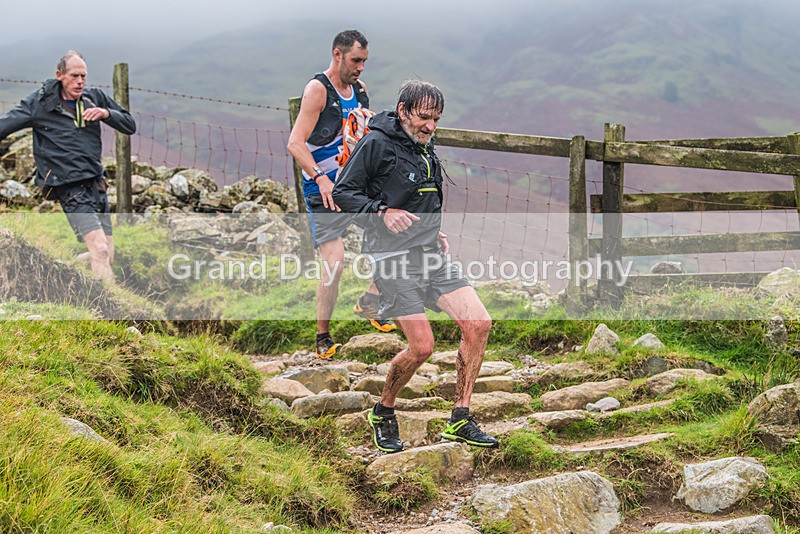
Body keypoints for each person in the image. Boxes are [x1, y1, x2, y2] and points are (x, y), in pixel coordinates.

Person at [333, 80, 499, 452]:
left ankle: (460, 418)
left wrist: (432, 229)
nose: (430, 126)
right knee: (422, 346)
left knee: (478, 324)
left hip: (429, 253)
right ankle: (384, 410)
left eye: (437, 119)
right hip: (391, 259)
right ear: (404, 110)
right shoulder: (376, 143)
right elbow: (343, 193)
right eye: (424, 117)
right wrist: (381, 212)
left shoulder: (425, 144)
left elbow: (419, 193)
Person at [287, 29, 396, 360]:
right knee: (334, 263)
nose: (361, 67)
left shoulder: (360, 92)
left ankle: (371, 302)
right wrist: (320, 178)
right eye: (355, 60)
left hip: (353, 184)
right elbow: (295, 142)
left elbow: (367, 137)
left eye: (364, 61)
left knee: (394, 230)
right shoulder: (317, 90)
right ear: (337, 55)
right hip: (323, 188)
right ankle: (323, 336)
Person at [0, 51, 136, 283]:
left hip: (96, 182)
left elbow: (129, 124)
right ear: (60, 75)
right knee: (100, 250)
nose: (80, 81)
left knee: (107, 255)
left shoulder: (95, 98)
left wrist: (106, 113)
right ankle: (110, 316)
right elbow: (5, 125)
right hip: (70, 187)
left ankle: (58, 271)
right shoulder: (40, 104)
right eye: (74, 76)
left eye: (83, 76)